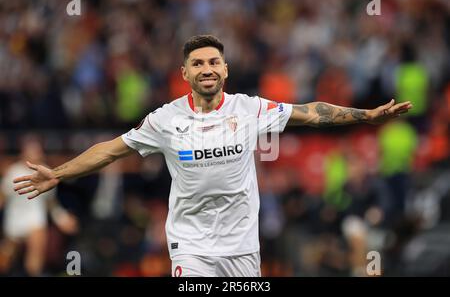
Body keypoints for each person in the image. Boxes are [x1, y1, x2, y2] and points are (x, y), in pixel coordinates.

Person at [12, 35, 412, 277]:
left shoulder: (248, 109)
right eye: (198, 63)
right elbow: (111, 150)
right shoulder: (165, 119)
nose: (207, 68)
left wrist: (367, 115)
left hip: (242, 247)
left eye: (213, 61)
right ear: (184, 73)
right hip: (191, 246)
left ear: (226, 69)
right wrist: (59, 174)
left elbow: (311, 113)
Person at [0, 135, 78, 276]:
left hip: (35, 219)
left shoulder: (47, 172)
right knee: (6, 258)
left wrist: (62, 219)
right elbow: (2, 197)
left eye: (38, 149)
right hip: (15, 220)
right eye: (32, 149)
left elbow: (50, 203)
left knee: (36, 254)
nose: (36, 153)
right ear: (23, 152)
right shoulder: (13, 171)